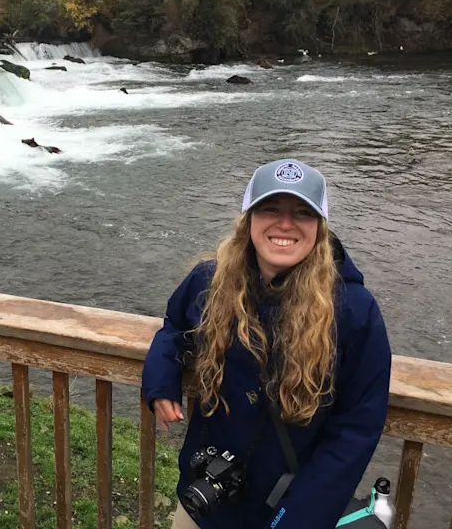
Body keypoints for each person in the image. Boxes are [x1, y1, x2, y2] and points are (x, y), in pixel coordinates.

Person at [142, 159, 392, 529]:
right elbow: (175, 328)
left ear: (320, 228)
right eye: (270, 209)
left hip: (292, 511)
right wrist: (162, 380)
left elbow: (357, 426)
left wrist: (301, 516)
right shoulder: (209, 281)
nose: (285, 224)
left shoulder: (353, 310)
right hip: (205, 498)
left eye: (302, 213)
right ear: (249, 219)